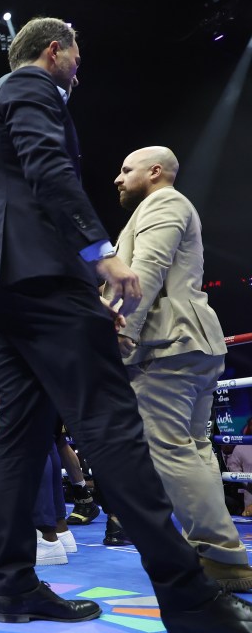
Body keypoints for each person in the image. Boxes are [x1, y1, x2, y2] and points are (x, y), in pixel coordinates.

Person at [0, 16, 252, 633]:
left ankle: (12, 587)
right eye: (76, 56)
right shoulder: (32, 87)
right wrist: (101, 253)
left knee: (20, 437)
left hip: (2, 285)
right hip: (42, 276)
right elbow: (48, 169)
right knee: (114, 429)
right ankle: (188, 596)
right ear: (53, 50)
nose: (78, 69)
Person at [106, 145, 252, 591]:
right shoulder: (162, 206)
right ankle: (217, 550)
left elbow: (146, 269)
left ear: (154, 172)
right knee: (192, 446)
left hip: (167, 343)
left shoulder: (164, 201)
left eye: (125, 169)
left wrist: (121, 327)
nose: (117, 177)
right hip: (188, 343)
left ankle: (221, 556)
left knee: (170, 446)